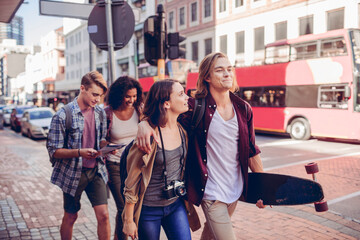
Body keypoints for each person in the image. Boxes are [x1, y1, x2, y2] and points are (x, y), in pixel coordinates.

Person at [137, 52, 266, 240]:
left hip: (234, 190)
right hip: (211, 192)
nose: (227, 74)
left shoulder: (243, 108)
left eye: (229, 69)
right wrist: (144, 124)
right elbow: (161, 112)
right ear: (207, 76)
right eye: (220, 70)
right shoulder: (194, 107)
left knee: (210, 237)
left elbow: (252, 152)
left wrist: (262, 188)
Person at [122, 79, 199, 240]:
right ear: (166, 104)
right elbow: (131, 182)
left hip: (176, 204)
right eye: (181, 94)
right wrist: (128, 220)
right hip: (149, 209)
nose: (187, 98)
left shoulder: (182, 129)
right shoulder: (147, 137)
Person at [46, 71, 110, 240]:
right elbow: (55, 151)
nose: (97, 99)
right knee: (71, 216)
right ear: (82, 88)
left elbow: (101, 139)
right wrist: (80, 152)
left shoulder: (100, 113)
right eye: (95, 94)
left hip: (96, 171)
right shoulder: (62, 115)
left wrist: (107, 147)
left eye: (101, 96)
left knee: (104, 215)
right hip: (73, 174)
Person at [101, 76, 143, 240]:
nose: (131, 100)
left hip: (137, 166)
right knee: (124, 207)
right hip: (115, 165)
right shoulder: (107, 113)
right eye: (127, 96)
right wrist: (106, 146)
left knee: (133, 207)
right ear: (119, 95)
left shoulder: (140, 110)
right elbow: (100, 139)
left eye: (134, 96)